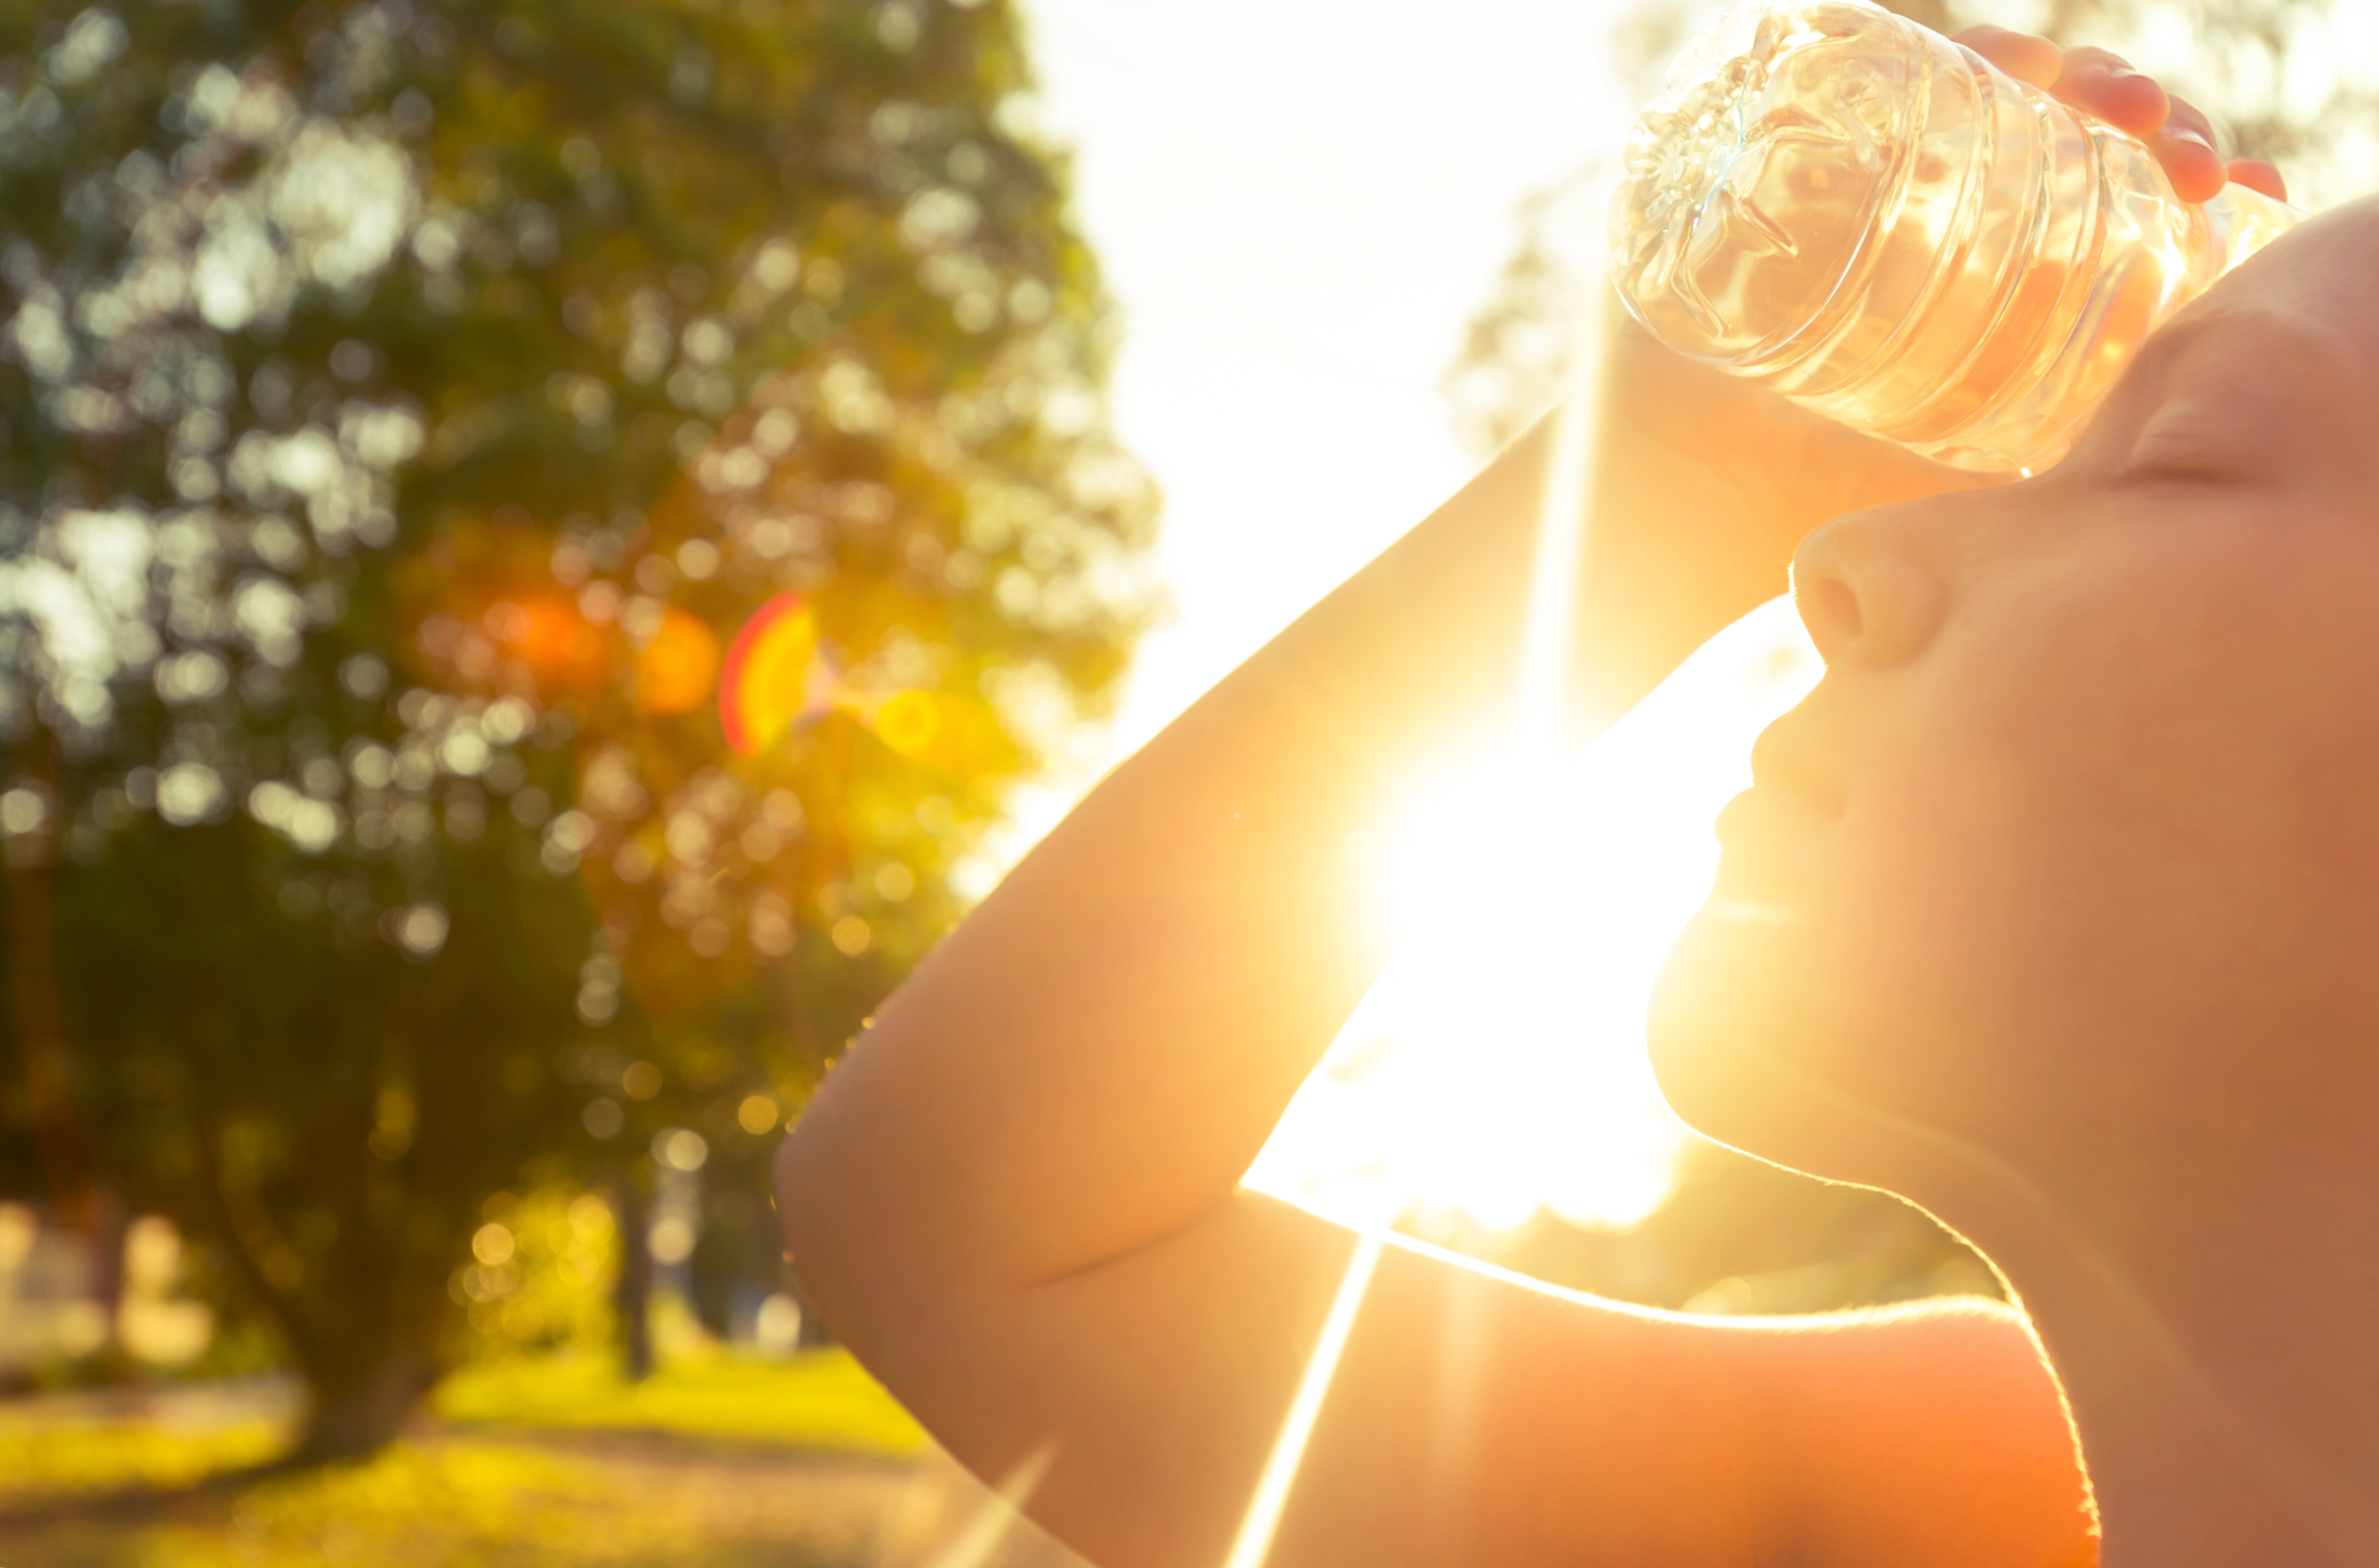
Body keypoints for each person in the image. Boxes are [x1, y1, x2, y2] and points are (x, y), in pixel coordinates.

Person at [775, 24, 2348, 1566]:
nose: (1838, 566)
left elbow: (966, 1245)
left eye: (2178, 457)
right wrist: (1675, 480)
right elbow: (951, 1221)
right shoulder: (1979, 1492)